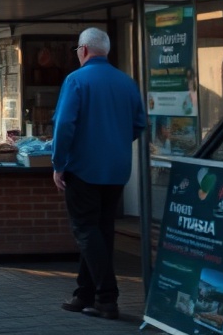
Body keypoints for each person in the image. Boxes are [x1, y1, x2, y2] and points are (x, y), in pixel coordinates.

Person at [53, 27, 145, 321]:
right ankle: (85, 293)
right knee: (101, 231)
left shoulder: (76, 80)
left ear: (83, 50)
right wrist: (115, 144)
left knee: (85, 230)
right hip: (117, 170)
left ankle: (107, 297)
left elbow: (64, 125)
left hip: (83, 169)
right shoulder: (127, 82)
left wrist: (58, 163)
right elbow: (139, 124)